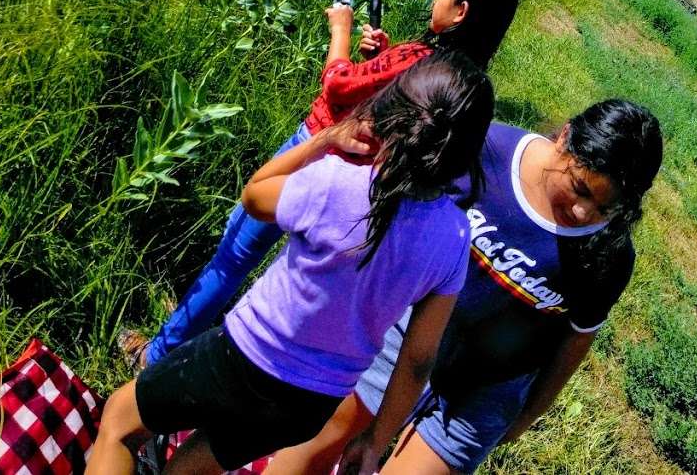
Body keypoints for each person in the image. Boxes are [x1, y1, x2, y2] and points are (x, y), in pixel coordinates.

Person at [89, 53, 495, 475]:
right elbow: (416, 359)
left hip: (245, 358)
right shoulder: (454, 238)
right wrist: (375, 439)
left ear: (392, 113)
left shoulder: (335, 183)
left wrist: (323, 140)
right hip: (311, 404)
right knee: (193, 467)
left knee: (119, 421)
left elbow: (254, 195)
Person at [125, 0, 519, 370]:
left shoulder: (418, 56)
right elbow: (401, 105)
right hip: (359, 187)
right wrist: (380, 60)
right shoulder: (460, 80)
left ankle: (156, 355)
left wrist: (341, 28)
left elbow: (336, 86)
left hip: (316, 153)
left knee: (234, 255)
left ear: (461, 12)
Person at [263, 98, 663, 475]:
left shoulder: (611, 256)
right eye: (579, 187)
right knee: (314, 443)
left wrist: (530, 413)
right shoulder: (487, 150)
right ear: (564, 136)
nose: (583, 212)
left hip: (484, 395)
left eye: (607, 208)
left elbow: (576, 341)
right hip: (402, 338)